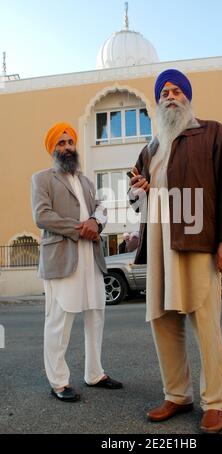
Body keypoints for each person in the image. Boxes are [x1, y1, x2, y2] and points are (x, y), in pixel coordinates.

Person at [129, 69, 222, 433]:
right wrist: (141, 191)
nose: (170, 95)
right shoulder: (150, 148)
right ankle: (177, 395)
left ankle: (214, 400)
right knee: (163, 323)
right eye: (164, 91)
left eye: (177, 90)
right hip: (160, 244)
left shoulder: (210, 132)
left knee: (206, 323)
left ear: (187, 98)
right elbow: (132, 199)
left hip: (197, 241)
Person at [31, 122, 122, 402]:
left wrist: (96, 221)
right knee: (60, 320)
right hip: (62, 258)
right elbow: (42, 216)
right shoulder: (43, 178)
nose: (68, 147)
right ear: (52, 148)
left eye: (70, 142)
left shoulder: (85, 181)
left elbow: (100, 209)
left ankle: (94, 373)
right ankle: (58, 381)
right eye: (61, 143)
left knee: (96, 315)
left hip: (90, 257)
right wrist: (81, 227)